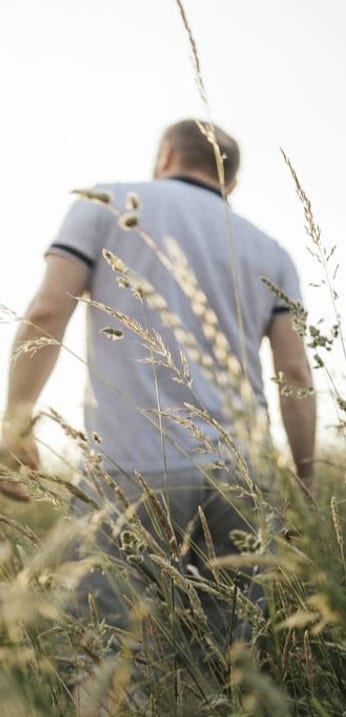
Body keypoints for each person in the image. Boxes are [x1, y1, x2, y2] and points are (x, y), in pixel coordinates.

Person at [0, 119, 316, 670]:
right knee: (228, 668)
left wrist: (16, 420)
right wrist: (306, 478)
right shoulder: (271, 251)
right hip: (242, 474)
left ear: (166, 154)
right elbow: (294, 372)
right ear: (231, 185)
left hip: (132, 469)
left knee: (111, 663)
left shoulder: (107, 203)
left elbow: (48, 312)